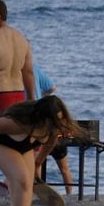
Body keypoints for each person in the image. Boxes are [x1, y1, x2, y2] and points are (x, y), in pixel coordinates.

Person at [0, 0, 37, 206]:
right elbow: (28, 73)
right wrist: (32, 103)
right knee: (4, 145)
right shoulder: (22, 40)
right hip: (17, 100)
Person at [30, 66, 75, 197]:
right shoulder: (34, 69)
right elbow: (52, 88)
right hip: (54, 135)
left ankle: (36, 190)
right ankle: (69, 194)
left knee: (35, 163)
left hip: (39, 129)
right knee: (64, 169)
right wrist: (42, 95)